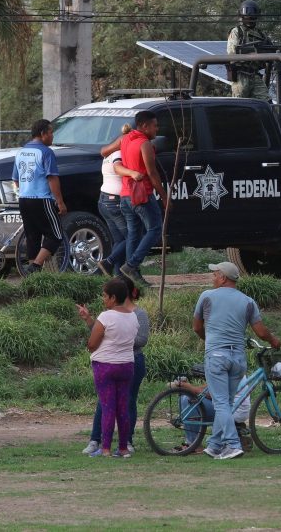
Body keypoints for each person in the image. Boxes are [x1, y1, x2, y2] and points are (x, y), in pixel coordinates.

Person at [193, 261, 280, 460]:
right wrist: (274, 340)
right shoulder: (248, 301)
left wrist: (210, 342)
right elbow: (260, 331)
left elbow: (197, 327)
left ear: (223, 277)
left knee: (221, 403)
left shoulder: (207, 296)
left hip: (216, 356)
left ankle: (232, 445)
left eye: (215, 274)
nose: (212, 278)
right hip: (238, 358)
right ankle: (215, 445)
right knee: (227, 403)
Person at [83, 277, 149, 455]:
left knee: (107, 407)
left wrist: (94, 343)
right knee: (123, 407)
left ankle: (104, 448)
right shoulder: (133, 317)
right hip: (127, 365)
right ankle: (123, 447)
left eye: (105, 296)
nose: (103, 299)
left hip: (105, 366)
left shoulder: (106, 316)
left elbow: (92, 344)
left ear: (113, 298)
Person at [119, 111, 168, 289]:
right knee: (155, 229)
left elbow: (106, 152)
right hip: (141, 194)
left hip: (125, 194)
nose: (157, 128)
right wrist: (164, 196)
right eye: (154, 125)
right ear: (144, 126)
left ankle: (131, 277)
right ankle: (131, 266)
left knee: (134, 234)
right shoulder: (144, 143)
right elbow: (152, 173)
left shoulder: (125, 139)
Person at [12, 119, 67, 273]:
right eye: (51, 132)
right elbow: (52, 178)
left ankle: (33, 277)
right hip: (41, 199)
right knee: (56, 235)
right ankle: (35, 267)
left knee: (32, 236)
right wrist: (60, 202)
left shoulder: (21, 152)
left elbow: (16, 179)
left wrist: (26, 190)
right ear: (43, 134)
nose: (52, 136)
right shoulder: (46, 152)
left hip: (24, 199)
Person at [96, 125, 142, 277]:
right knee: (132, 237)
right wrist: (133, 172)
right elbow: (117, 168)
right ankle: (109, 262)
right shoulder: (119, 153)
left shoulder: (108, 152)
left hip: (104, 199)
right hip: (114, 201)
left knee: (119, 239)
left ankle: (118, 275)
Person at [171, 377, 253, 454]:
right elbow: (210, 387)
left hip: (232, 411)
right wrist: (190, 387)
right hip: (231, 408)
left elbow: (213, 394)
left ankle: (194, 445)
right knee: (188, 396)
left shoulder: (226, 368)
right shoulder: (230, 367)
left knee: (187, 399)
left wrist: (190, 388)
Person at [226, 0, 270, 101]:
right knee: (240, 105)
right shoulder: (237, 31)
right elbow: (232, 53)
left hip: (254, 75)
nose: (250, 19)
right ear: (242, 16)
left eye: (252, 17)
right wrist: (253, 52)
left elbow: (272, 49)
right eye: (247, 16)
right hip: (241, 75)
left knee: (267, 103)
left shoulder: (261, 35)